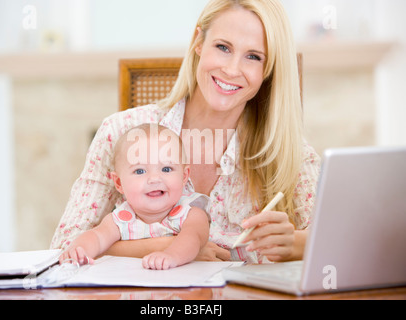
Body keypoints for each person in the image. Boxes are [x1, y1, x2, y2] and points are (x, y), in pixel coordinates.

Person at [51, 0, 321, 264]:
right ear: (198, 43)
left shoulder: (287, 151)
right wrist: (170, 247)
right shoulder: (120, 131)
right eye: (223, 47)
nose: (231, 69)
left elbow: (343, 245)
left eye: (253, 56)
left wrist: (295, 245)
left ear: (268, 69)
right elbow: (64, 247)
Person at [59, 124, 210, 270]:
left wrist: (172, 256)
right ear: (119, 183)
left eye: (166, 168)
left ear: (184, 176)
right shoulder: (120, 220)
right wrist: (80, 250)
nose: (154, 179)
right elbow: (97, 237)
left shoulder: (190, 214)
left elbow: (193, 239)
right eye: (140, 171)